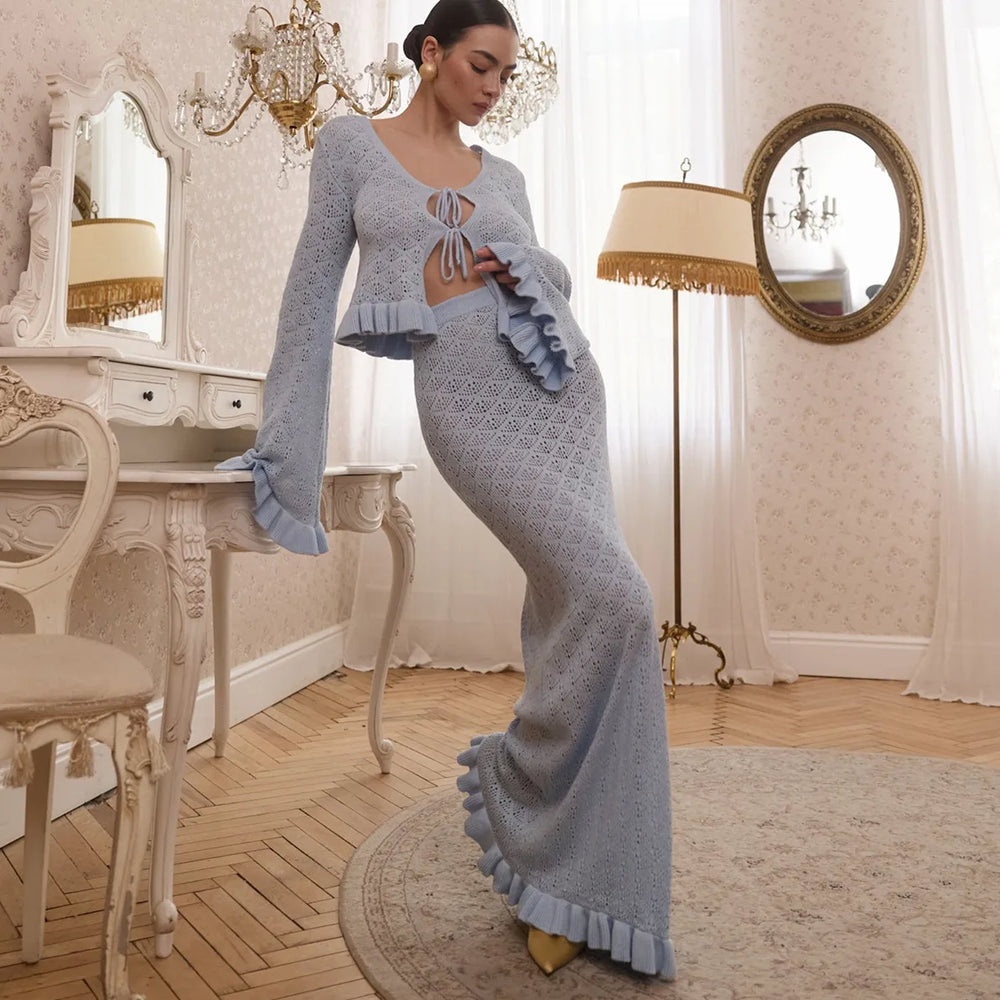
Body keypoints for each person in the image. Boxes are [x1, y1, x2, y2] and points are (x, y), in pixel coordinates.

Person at [219, 0, 675, 979]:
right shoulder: (349, 146)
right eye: (480, 64)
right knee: (617, 596)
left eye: (506, 74)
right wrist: (282, 446)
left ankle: (582, 878)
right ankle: (527, 799)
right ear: (430, 54)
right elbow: (308, 296)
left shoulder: (503, 174)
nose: (493, 88)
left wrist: (515, 260)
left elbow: (546, 281)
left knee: (601, 605)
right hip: (465, 406)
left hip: (559, 396)